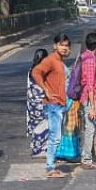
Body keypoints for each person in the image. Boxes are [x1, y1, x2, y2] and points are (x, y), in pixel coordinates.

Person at [32, 33, 71, 179]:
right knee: (55, 137)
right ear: (55, 46)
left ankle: (51, 165)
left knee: (56, 137)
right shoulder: (50, 60)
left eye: (66, 45)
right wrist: (46, 89)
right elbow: (36, 72)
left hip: (60, 103)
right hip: (53, 104)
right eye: (61, 44)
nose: (64, 48)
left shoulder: (60, 61)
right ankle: (50, 167)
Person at [79, 32, 96, 169]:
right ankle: (86, 159)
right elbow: (89, 86)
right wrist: (93, 107)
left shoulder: (88, 57)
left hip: (89, 98)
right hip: (88, 98)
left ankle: (89, 156)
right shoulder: (89, 60)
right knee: (90, 129)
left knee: (91, 127)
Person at [26, 49, 50, 157]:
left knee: (37, 125)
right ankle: (41, 150)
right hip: (41, 102)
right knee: (43, 125)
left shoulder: (32, 68)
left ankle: (37, 148)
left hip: (32, 103)